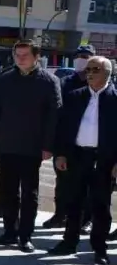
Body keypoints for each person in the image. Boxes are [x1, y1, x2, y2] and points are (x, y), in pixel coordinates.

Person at [0, 40, 60, 252]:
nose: (20, 59)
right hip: (7, 144)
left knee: (29, 194)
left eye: (25, 55)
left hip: (32, 147)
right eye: (17, 55)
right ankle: (9, 231)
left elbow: (54, 116)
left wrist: (48, 146)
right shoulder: (6, 78)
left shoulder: (48, 81)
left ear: (36, 57)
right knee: (8, 192)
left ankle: (25, 235)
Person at [50, 56, 117, 265]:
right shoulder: (75, 96)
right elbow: (61, 129)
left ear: (107, 73)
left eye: (95, 69)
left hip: (104, 159)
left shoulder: (115, 99)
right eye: (88, 69)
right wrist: (60, 154)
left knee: (100, 206)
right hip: (77, 156)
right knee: (73, 201)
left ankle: (99, 249)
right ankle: (68, 242)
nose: (89, 73)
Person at [44, 44, 95, 230]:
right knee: (63, 182)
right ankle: (60, 215)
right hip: (66, 141)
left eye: (86, 56)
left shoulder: (98, 83)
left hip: (89, 143)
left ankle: (85, 220)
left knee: (88, 186)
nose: (82, 58)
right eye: (79, 55)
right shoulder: (65, 82)